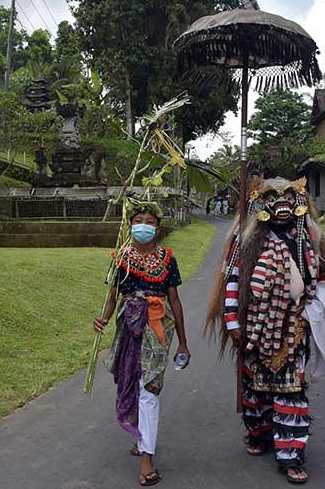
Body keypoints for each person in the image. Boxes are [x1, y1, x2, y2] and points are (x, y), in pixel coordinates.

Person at [207, 177, 325, 485]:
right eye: (273, 198)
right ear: (260, 204)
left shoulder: (309, 238)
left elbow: (322, 280)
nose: (282, 206)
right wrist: (233, 323)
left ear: (300, 203)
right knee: (255, 387)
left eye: (289, 199)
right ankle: (258, 431)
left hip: (294, 325)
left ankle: (291, 454)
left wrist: (313, 309)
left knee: (291, 389)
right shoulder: (245, 241)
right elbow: (232, 280)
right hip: (254, 325)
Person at [94, 202, 190, 486]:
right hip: (128, 326)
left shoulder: (167, 259)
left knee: (149, 388)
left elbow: (174, 300)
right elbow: (112, 297)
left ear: (157, 227)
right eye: (139, 219)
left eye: (149, 220)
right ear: (130, 225)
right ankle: (140, 433)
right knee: (129, 378)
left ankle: (147, 456)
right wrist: (104, 318)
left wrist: (183, 343)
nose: (144, 224)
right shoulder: (120, 258)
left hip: (159, 327)